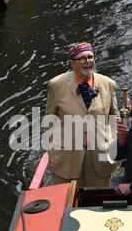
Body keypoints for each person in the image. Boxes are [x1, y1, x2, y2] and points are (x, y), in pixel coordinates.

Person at [45, 42, 119, 187]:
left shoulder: (108, 84)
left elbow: (114, 118)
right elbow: (49, 120)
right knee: (67, 203)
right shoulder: (56, 85)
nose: (88, 61)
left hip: (100, 157)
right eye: (82, 58)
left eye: (90, 57)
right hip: (67, 158)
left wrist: (112, 143)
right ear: (72, 63)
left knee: (97, 202)